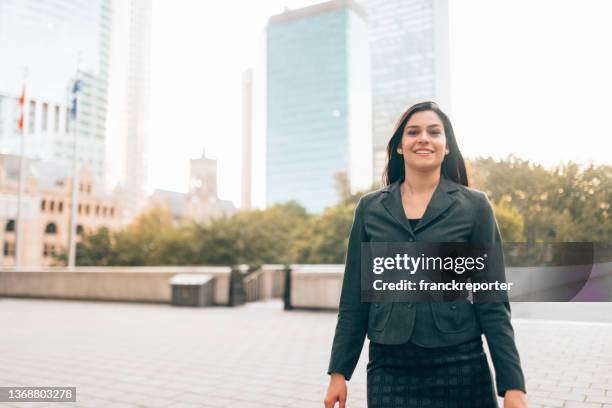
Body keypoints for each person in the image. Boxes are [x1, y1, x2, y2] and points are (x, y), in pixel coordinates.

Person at [323, 101, 527, 408]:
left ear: (446, 146)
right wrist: (339, 372)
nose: (424, 138)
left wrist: (513, 386)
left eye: (434, 132)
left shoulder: (475, 207)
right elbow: (354, 296)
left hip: (461, 364)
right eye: (413, 132)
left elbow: (493, 301)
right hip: (390, 370)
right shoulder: (370, 208)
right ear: (400, 147)